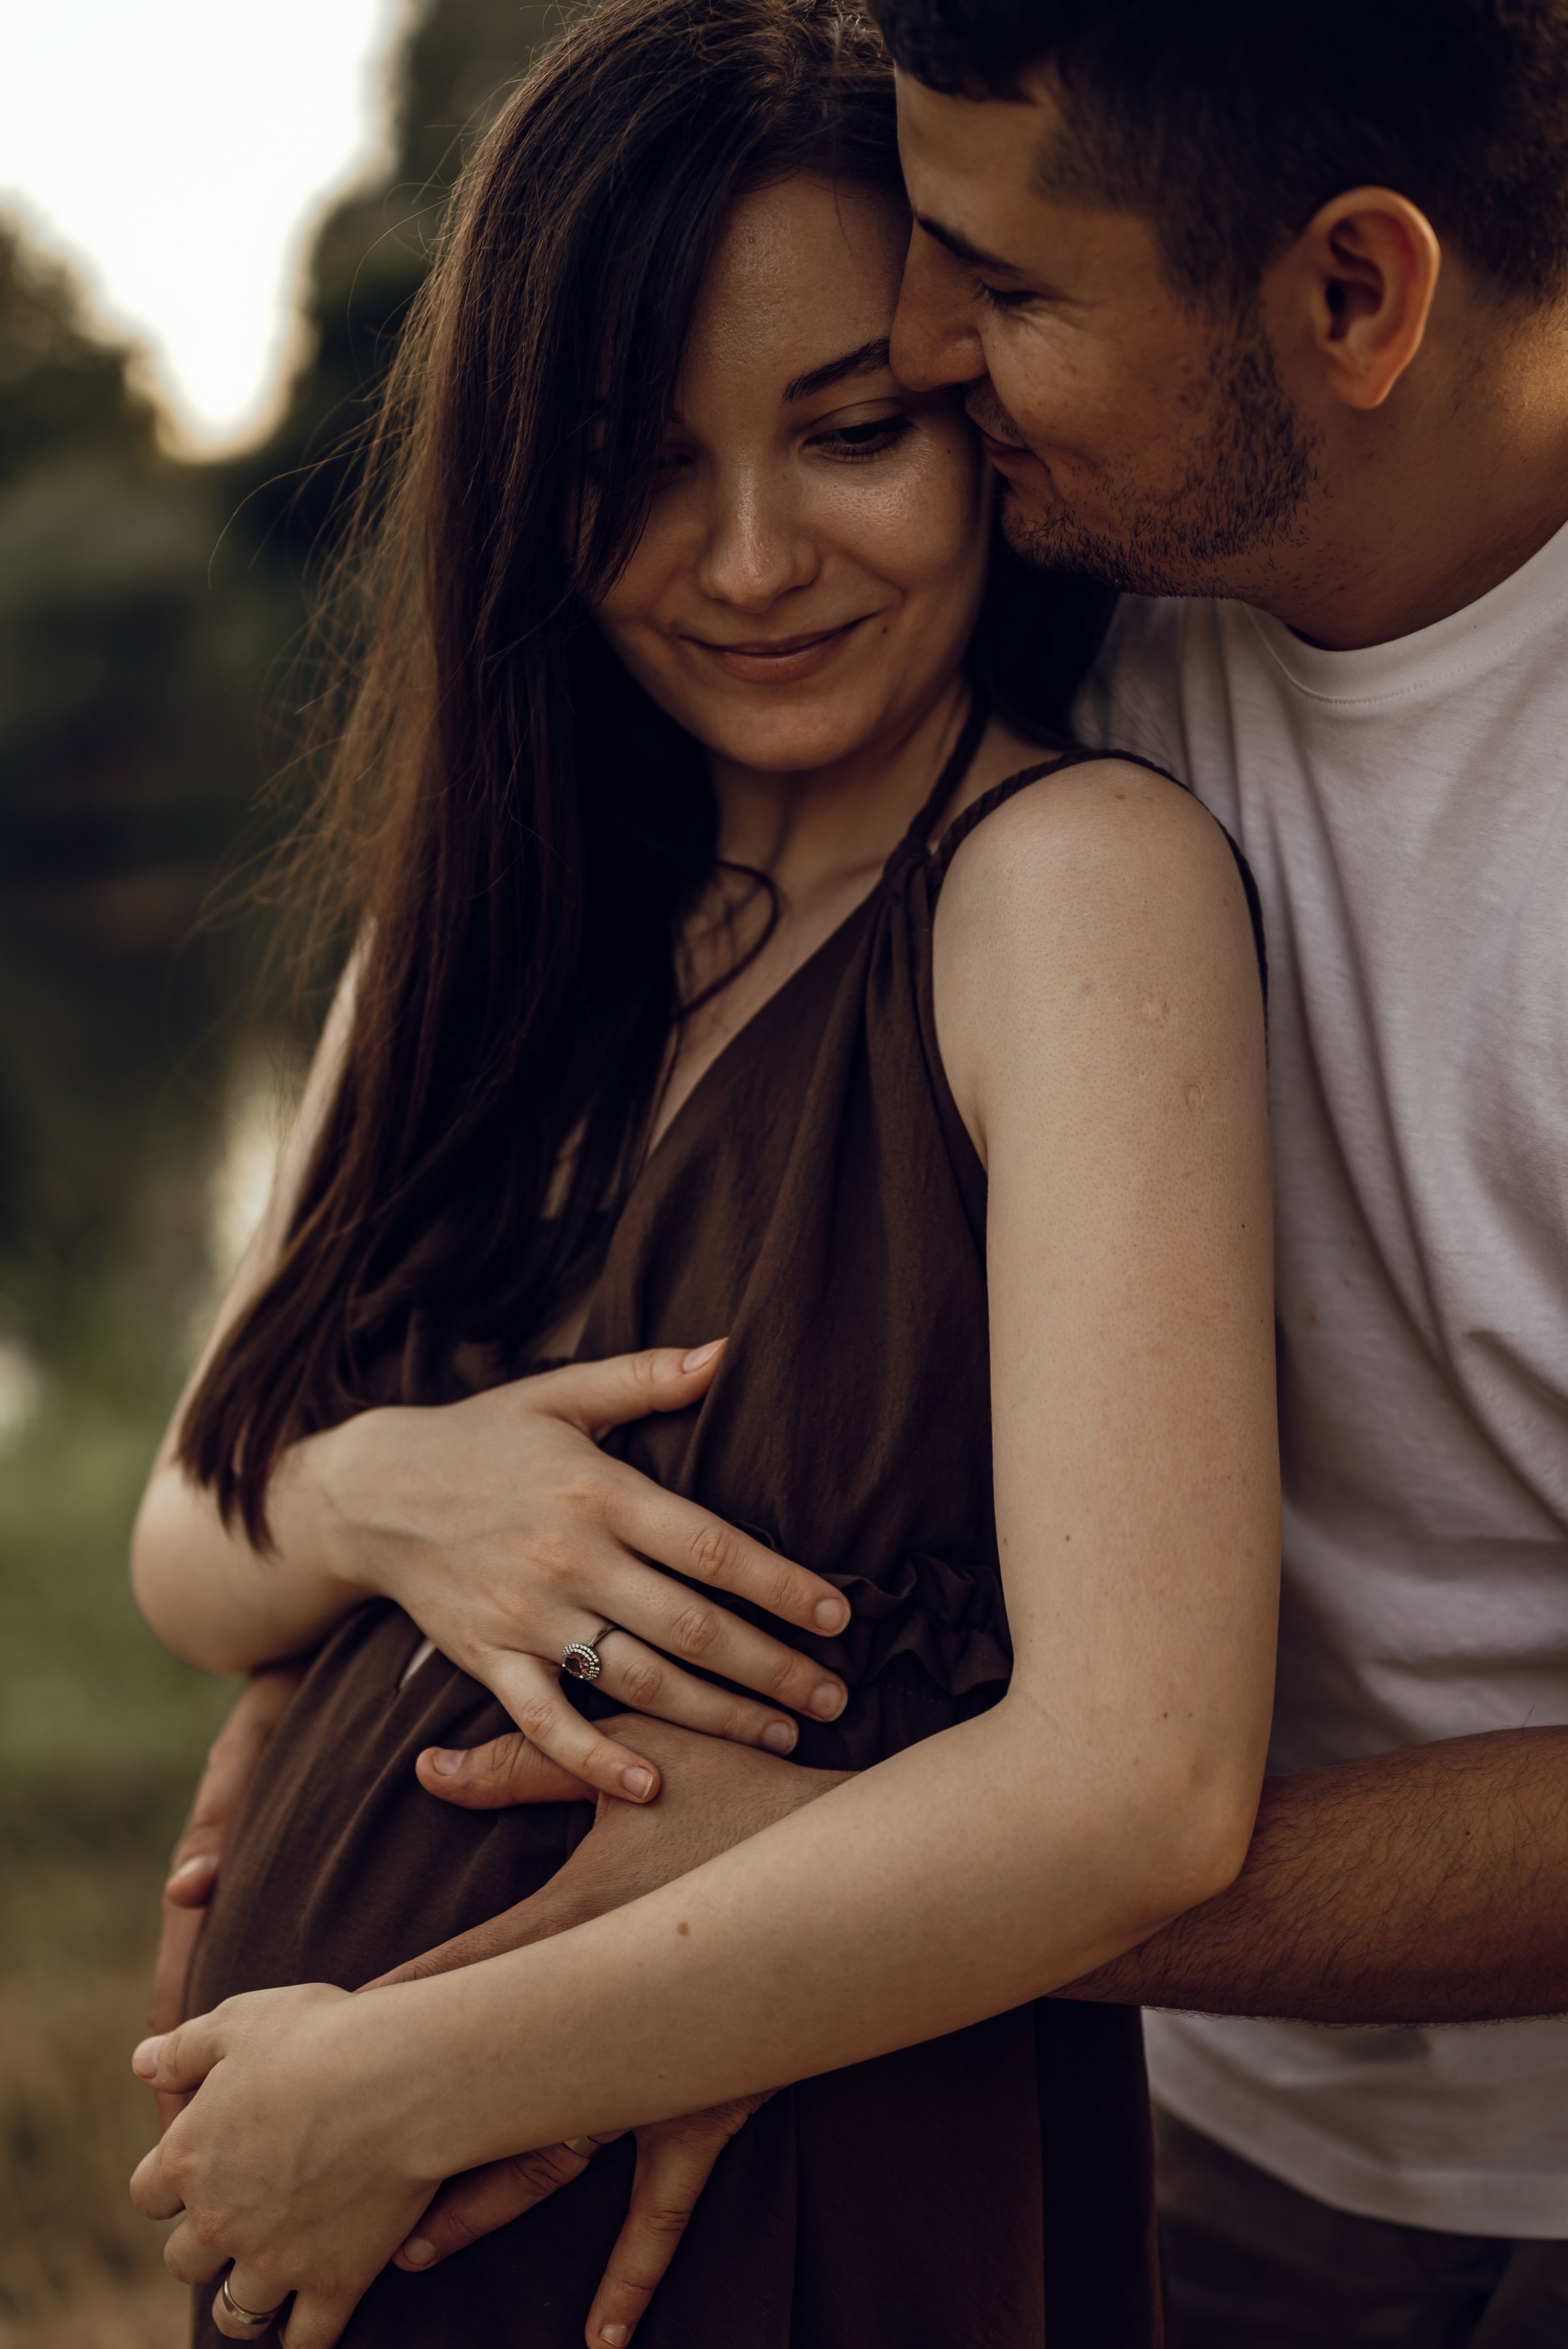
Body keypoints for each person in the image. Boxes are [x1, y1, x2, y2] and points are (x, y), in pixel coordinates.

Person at [262, 0, 1568, 2336]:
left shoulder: (1083, 841)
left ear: (1355, 298)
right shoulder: (1110, 593)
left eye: (1001, 299)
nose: (936, 347)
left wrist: (756, 1937)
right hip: (1226, 2128)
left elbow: (1125, 1778)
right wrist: (346, 1557)